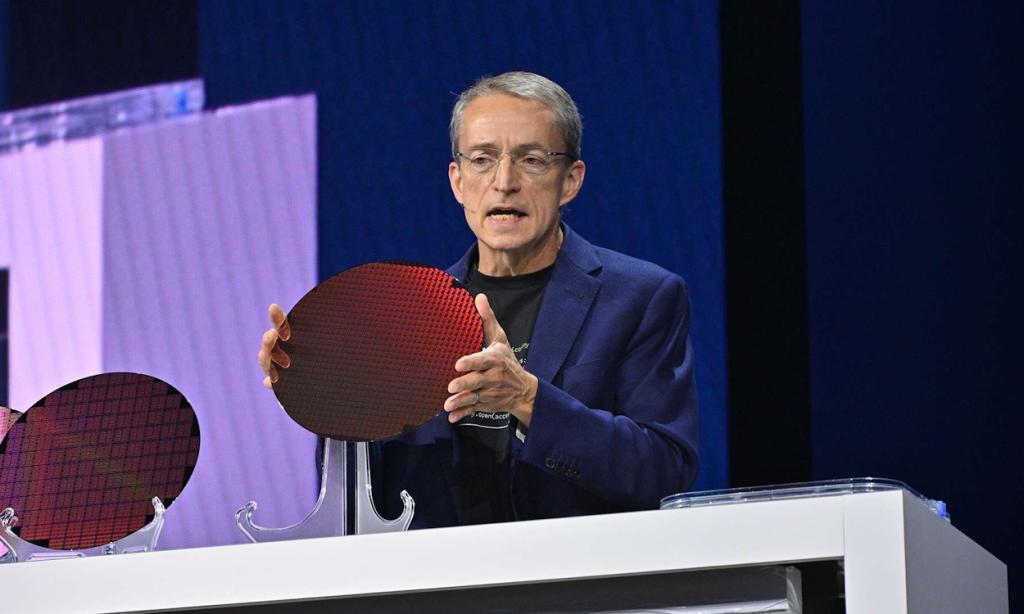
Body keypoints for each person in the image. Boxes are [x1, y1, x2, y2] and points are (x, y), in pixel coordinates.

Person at [258, 71, 699, 528]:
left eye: (532, 159)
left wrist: (527, 398)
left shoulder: (639, 297)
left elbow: (664, 472)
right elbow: (365, 501)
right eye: (483, 159)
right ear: (458, 181)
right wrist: (321, 390)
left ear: (570, 180)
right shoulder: (408, 316)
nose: (504, 181)